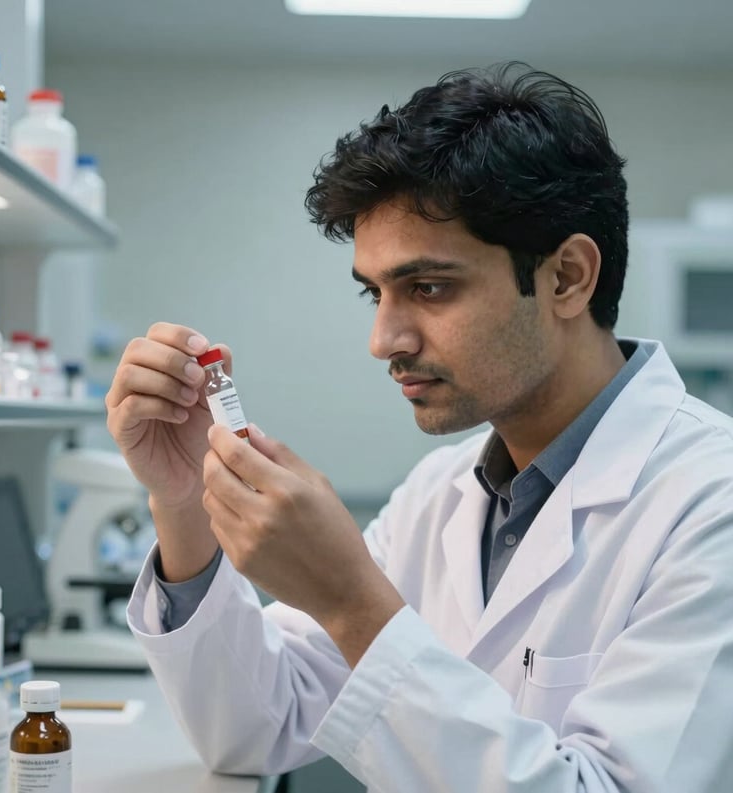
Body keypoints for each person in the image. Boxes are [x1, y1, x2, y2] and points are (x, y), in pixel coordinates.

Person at [107, 62, 733, 792]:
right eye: (375, 293)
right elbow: (254, 728)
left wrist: (351, 602)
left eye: (428, 287)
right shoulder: (440, 493)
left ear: (566, 277)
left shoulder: (709, 505)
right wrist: (183, 503)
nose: (385, 338)